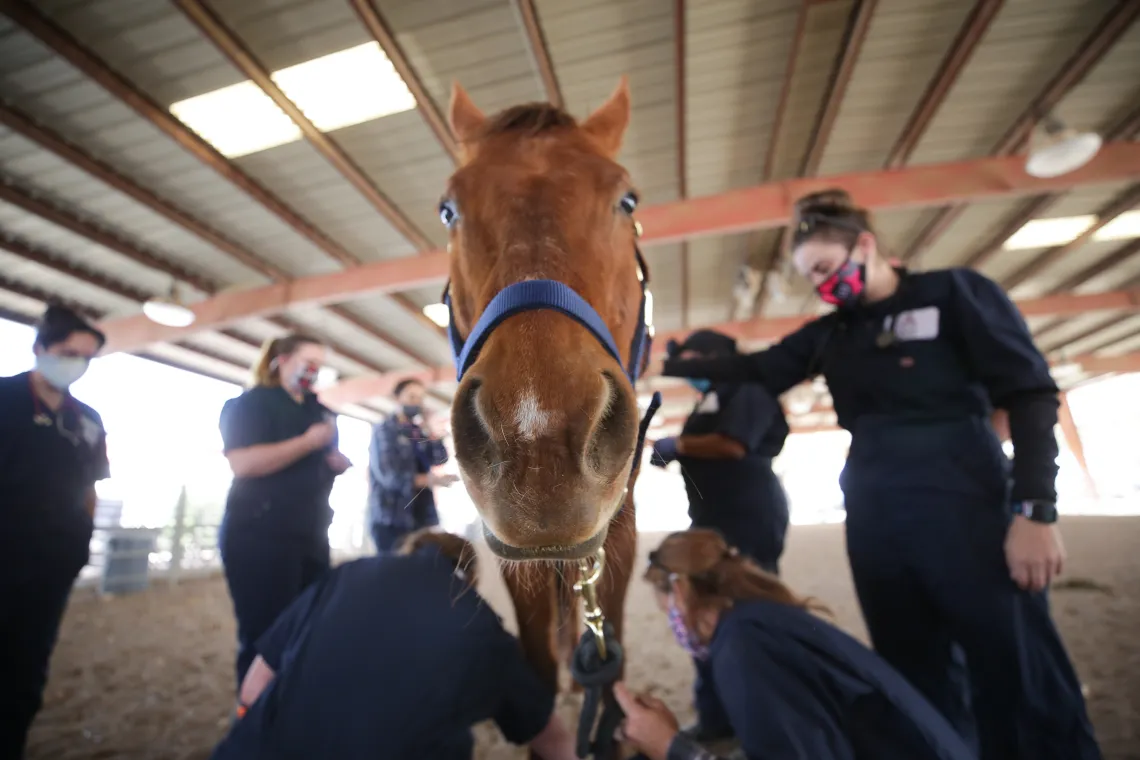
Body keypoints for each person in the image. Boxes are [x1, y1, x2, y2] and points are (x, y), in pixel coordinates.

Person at [657, 189, 1101, 760]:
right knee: (914, 675)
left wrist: (1035, 509)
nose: (821, 285)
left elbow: (1032, 394)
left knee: (1017, 666)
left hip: (966, 501)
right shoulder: (832, 333)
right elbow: (759, 367)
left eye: (825, 268)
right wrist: (667, 362)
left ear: (864, 246)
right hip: (876, 516)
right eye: (810, 277)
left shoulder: (953, 293)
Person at [210, 529, 578, 760]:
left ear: (410, 550)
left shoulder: (345, 575)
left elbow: (254, 685)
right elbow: (548, 732)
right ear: (468, 579)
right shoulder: (478, 620)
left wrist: (248, 725)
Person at [613, 529, 976, 760]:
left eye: (666, 610)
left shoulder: (745, 650)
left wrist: (672, 749)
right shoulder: (759, 618)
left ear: (679, 592)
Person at [648, 328, 791, 743]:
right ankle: (716, 716)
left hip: (748, 513)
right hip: (709, 518)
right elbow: (698, 447)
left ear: (712, 355)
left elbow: (733, 445)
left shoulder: (747, 388)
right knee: (705, 613)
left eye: (693, 359)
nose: (689, 369)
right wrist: (668, 450)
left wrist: (682, 444)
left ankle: (759, 716)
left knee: (745, 613)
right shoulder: (709, 400)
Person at [0, 305, 110, 758]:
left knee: (25, 671)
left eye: (85, 358)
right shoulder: (5, 399)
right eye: (67, 353)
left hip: (50, 567)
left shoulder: (88, 419)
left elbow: (91, 486)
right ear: (40, 349)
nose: (75, 365)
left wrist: (80, 542)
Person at [217, 334, 352, 690]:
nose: (313, 371)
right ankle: (254, 719)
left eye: (319, 366)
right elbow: (243, 463)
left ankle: (292, 712)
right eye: (308, 363)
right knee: (265, 635)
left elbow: (320, 459)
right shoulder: (247, 405)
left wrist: (334, 463)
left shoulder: (319, 409)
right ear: (281, 359)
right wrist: (307, 443)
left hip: (310, 532)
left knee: (309, 628)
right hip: (259, 534)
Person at [368, 377, 458, 554]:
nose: (416, 402)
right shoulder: (384, 430)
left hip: (421, 517)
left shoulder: (418, 431)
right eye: (411, 397)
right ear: (397, 398)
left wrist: (433, 433)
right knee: (394, 573)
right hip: (392, 518)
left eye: (420, 398)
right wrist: (431, 480)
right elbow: (390, 477)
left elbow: (439, 459)